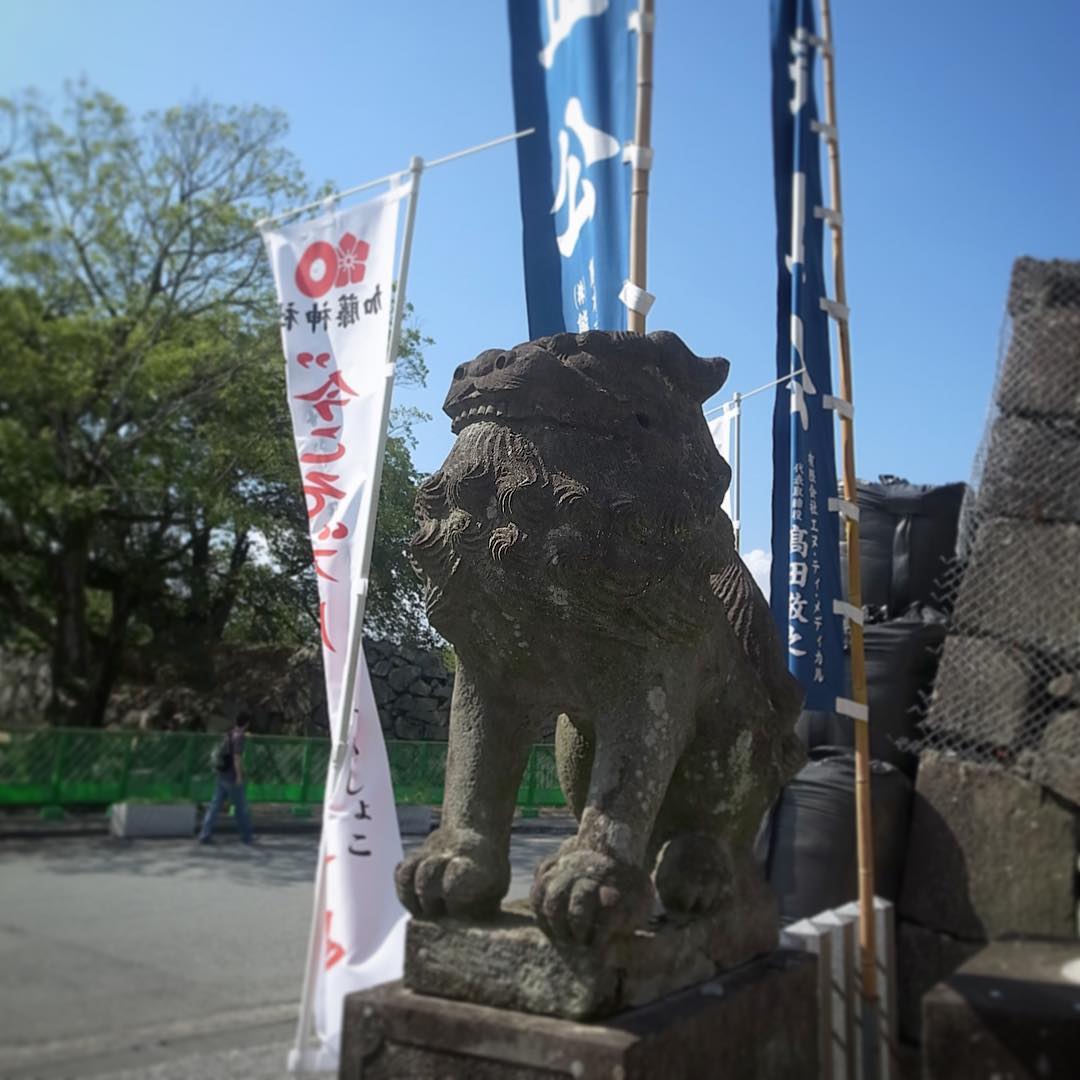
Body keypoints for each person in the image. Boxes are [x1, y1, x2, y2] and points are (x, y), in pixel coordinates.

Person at [198, 714, 255, 844]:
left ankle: (204, 834)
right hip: (232, 777)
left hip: (221, 774)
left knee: (214, 806)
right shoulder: (239, 737)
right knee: (241, 808)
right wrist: (239, 776)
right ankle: (247, 836)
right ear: (247, 724)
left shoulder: (229, 733)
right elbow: (237, 758)